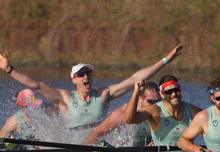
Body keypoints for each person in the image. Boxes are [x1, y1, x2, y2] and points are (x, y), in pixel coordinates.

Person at [0, 44, 183, 133]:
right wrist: (9, 69)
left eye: (88, 73)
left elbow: (135, 78)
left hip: (93, 143)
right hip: (69, 146)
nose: (86, 77)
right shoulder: (64, 96)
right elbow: (36, 85)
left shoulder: (103, 95)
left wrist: (166, 60)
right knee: (15, 121)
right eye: (81, 74)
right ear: (73, 79)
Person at [123, 75, 201, 148]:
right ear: (161, 94)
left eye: (176, 90)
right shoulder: (154, 110)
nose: (174, 94)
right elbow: (128, 120)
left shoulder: (193, 111)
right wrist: (136, 93)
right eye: (169, 92)